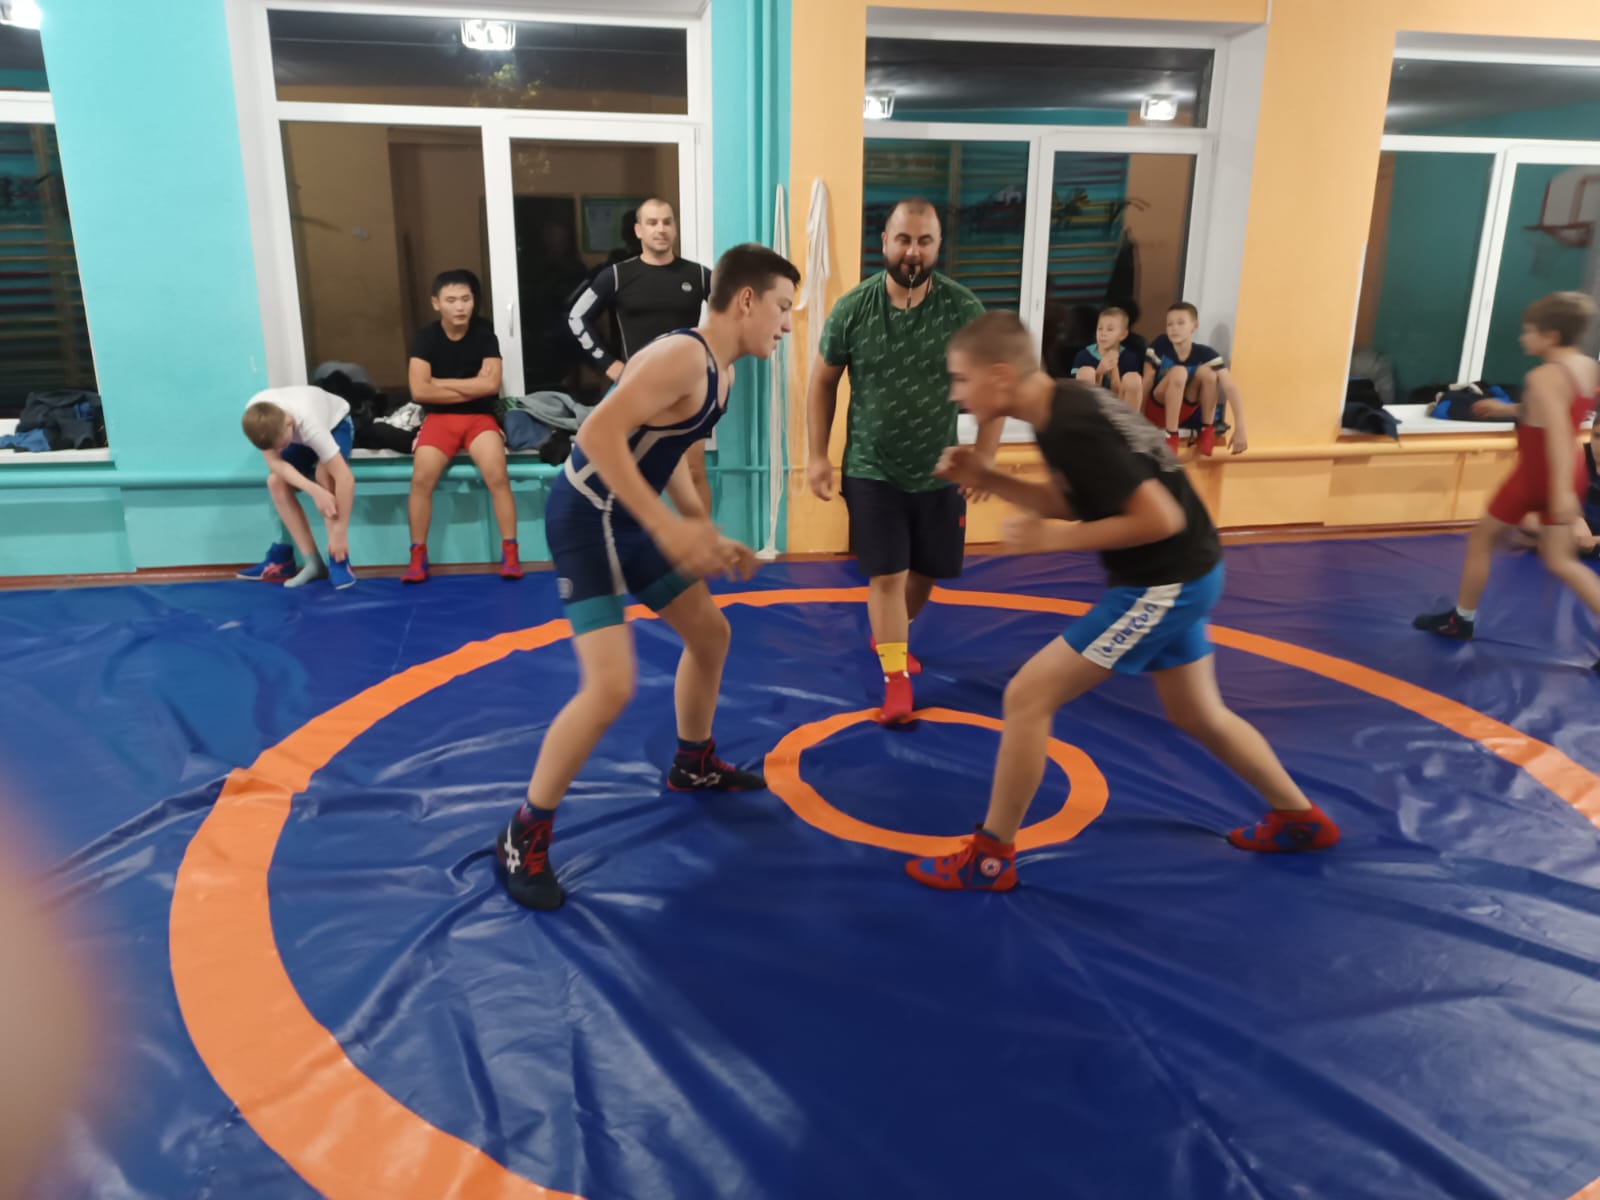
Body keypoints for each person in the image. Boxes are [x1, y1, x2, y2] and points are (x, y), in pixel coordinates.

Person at [906, 311, 1339, 891]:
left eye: (962, 379)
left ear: (1001, 376)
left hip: (1166, 581)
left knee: (1027, 696)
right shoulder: (1060, 406)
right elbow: (1079, 499)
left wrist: (1055, 541)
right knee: (1197, 713)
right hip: (1187, 571)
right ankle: (1300, 818)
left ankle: (989, 859)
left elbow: (1160, 518)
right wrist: (990, 477)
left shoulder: (1071, 423)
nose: (955, 394)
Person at [495, 243, 801, 912]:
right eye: (783, 308)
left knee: (711, 634)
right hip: (585, 518)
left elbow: (677, 448)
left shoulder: (721, 373)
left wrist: (702, 529)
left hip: (630, 519)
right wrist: (667, 527)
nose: (786, 324)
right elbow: (597, 435)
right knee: (611, 686)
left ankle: (693, 762)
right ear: (747, 300)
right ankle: (522, 833)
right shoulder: (681, 356)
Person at [805, 197, 1001, 725]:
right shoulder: (853, 308)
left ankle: (890, 634)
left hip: (940, 468)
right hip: (871, 467)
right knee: (887, 576)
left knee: (926, 572)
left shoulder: (963, 309)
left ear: (938, 246)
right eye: (904, 240)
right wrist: (817, 455)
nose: (913, 252)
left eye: (924, 241)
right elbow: (822, 383)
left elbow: (996, 383)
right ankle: (896, 679)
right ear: (885, 243)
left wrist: (984, 455)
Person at [1414, 291, 1600, 672]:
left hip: (1538, 473)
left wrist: (1560, 492)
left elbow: (1557, 433)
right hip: (1567, 471)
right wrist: (1508, 408)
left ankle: (1461, 620)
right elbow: (1557, 411)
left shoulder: (1542, 376)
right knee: (1561, 562)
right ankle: (1461, 618)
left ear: (1550, 335)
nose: (1522, 337)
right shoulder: (1586, 369)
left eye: (1529, 331)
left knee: (1482, 540)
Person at [567, 198, 715, 514]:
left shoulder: (700, 276)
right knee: (632, 476)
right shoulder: (617, 276)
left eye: (667, 222)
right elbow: (576, 317)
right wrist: (608, 364)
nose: (660, 229)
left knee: (693, 471)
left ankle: (701, 542)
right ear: (638, 230)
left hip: (686, 392)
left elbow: (732, 318)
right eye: (652, 222)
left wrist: (716, 362)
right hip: (637, 391)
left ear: (674, 228)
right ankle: (629, 542)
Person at [403, 269, 521, 583]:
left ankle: (510, 553)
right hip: (439, 420)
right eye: (452, 300)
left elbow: (490, 386)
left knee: (498, 475)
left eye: (466, 299)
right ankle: (417, 556)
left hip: (479, 419)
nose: (460, 307)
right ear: (436, 303)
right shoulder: (425, 338)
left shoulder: (485, 335)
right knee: (421, 480)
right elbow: (419, 391)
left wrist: (440, 383)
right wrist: (471, 385)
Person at [237, 385, 357, 589]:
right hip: (298, 429)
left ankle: (338, 559)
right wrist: (314, 491)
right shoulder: (257, 418)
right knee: (275, 482)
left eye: (283, 445)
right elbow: (275, 463)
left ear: (289, 424)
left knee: (325, 475)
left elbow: (345, 479)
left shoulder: (311, 426)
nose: (279, 450)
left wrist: (340, 533)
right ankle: (313, 563)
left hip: (336, 423)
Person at [1142, 302, 1250, 457]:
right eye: (1169, 324)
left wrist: (1240, 428)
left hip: (1183, 411)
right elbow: (1146, 381)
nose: (1174, 328)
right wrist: (1138, 419)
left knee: (1209, 373)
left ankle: (1207, 428)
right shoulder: (1161, 344)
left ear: (1194, 326)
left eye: (1180, 323)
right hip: (1157, 409)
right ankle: (1171, 434)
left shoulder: (1204, 353)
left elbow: (1230, 387)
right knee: (1179, 372)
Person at [1072, 305, 1144, 413]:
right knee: (1086, 371)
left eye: (1110, 329)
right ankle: (1087, 420)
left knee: (1134, 378)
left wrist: (1114, 370)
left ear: (1123, 335)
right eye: (1100, 328)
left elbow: (1119, 393)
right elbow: (1080, 392)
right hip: (1092, 408)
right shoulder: (1083, 355)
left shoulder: (1129, 358)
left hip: (1119, 409)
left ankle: (1129, 422)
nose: (1103, 333)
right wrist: (1099, 372)